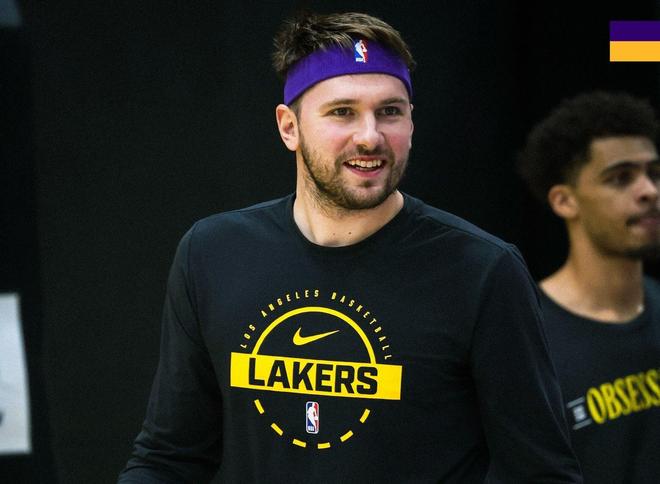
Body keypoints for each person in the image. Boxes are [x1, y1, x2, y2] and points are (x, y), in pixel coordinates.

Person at [119, 11, 581, 483]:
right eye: (342, 111)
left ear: (411, 122)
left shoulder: (483, 270)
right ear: (289, 127)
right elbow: (168, 458)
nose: (370, 136)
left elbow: (540, 474)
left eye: (390, 111)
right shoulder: (213, 253)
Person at [518, 91, 660, 483]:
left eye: (654, 173)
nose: (649, 191)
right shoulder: (527, 337)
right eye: (621, 178)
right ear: (565, 201)